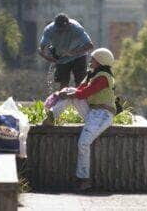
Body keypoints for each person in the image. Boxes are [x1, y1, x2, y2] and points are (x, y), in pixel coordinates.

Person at [42, 48, 116, 191]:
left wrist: (69, 94)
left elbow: (85, 93)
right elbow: (78, 91)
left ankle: (84, 179)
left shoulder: (104, 77)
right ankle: (51, 117)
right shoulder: (91, 74)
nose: (91, 61)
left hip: (103, 114)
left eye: (94, 59)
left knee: (83, 143)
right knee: (69, 92)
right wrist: (65, 92)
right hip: (93, 111)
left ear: (101, 61)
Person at [38, 13, 94, 89]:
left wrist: (72, 52)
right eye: (59, 30)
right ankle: (62, 100)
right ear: (55, 26)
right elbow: (41, 48)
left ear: (69, 24)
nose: (62, 32)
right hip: (61, 58)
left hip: (78, 55)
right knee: (63, 82)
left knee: (80, 81)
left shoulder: (76, 27)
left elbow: (90, 45)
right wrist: (47, 57)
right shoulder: (49, 30)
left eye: (64, 30)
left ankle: (80, 100)